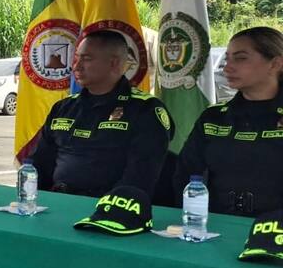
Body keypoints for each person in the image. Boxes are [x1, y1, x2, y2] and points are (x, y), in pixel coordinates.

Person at [29, 29, 173, 197]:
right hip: (59, 203)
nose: (76, 66)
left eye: (86, 59)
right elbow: (38, 165)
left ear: (113, 63)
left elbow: (141, 175)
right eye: (76, 58)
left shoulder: (145, 110)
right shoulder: (64, 108)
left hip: (112, 208)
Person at [174, 26, 283, 216]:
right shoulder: (213, 118)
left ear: (275, 64)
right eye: (227, 59)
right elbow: (185, 175)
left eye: (240, 58)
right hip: (217, 228)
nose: (227, 68)